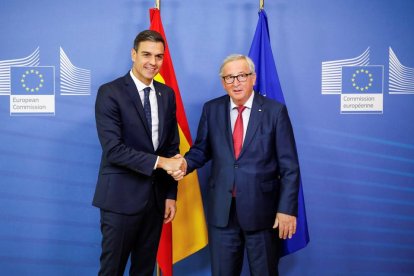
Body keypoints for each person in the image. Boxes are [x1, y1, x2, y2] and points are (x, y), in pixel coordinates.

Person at [172, 54, 300, 275]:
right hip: (223, 213)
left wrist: (286, 209)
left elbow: (290, 167)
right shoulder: (211, 109)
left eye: (241, 76)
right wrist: (184, 163)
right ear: (223, 82)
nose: (235, 82)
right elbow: (202, 150)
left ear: (253, 78)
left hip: (263, 214)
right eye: (229, 78)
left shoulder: (274, 111)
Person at [93, 30, 185, 276]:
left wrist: (170, 195)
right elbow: (114, 150)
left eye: (158, 56)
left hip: (155, 202)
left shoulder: (167, 95)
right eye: (146, 54)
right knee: (112, 270)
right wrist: (162, 162)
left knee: (144, 270)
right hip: (120, 200)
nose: (152, 62)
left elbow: (171, 149)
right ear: (133, 54)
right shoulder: (110, 92)